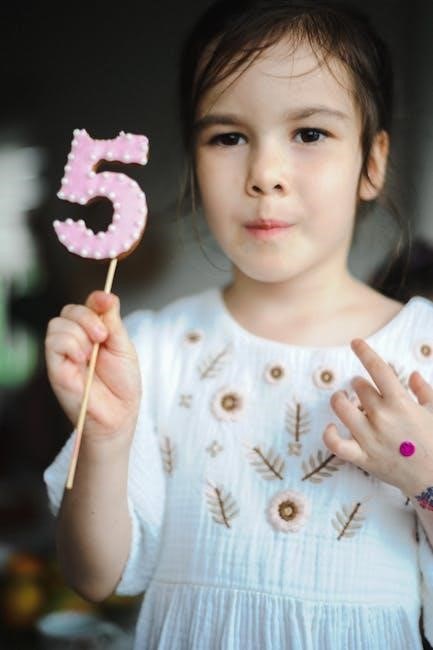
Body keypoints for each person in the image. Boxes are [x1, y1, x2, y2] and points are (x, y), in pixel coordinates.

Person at [43, 1, 433, 648]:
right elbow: (94, 577)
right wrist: (105, 439)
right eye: (227, 137)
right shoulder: (152, 350)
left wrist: (423, 476)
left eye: (310, 133)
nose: (264, 176)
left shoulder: (424, 349)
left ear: (372, 161)